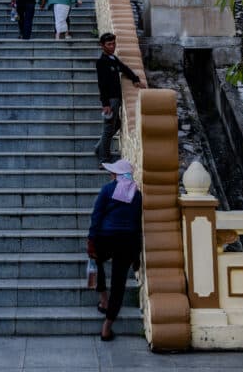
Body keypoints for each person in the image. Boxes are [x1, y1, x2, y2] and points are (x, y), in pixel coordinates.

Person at [87, 158, 142, 342]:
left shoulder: (107, 189)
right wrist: (137, 254)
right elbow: (136, 225)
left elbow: (97, 216)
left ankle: (103, 299)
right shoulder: (137, 194)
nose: (111, 174)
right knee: (119, 286)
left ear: (116, 175)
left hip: (105, 237)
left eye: (113, 172)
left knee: (97, 262)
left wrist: (91, 240)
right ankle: (106, 328)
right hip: (127, 242)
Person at [94, 33, 141, 165]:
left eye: (114, 43)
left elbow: (124, 68)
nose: (112, 46)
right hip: (110, 100)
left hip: (117, 99)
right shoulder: (102, 62)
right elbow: (101, 85)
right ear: (102, 46)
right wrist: (105, 104)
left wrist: (135, 79)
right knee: (108, 129)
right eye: (109, 44)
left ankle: (99, 148)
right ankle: (103, 159)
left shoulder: (113, 58)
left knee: (117, 125)